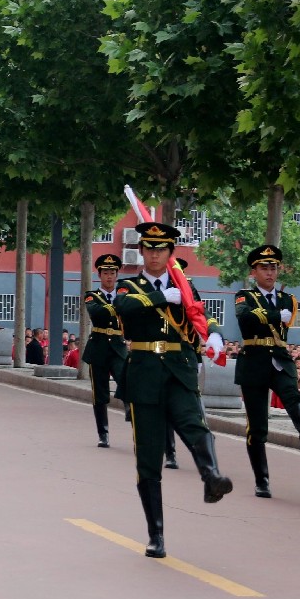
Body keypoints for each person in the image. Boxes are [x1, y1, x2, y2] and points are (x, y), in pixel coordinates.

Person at [113, 221, 232, 559]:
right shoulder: (129, 285)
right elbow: (123, 309)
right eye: (149, 248)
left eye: (161, 249)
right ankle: (157, 535)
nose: (154, 254)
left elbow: (201, 314)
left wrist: (214, 334)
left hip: (179, 370)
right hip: (144, 373)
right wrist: (160, 296)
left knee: (195, 424)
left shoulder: (185, 283)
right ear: (142, 252)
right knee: (149, 459)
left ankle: (212, 476)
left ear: (170, 253)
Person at [233, 245, 300, 499]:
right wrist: (272, 315)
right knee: (258, 425)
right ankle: (262, 480)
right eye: (264, 268)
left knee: (292, 394)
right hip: (253, 360)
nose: (270, 273)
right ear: (254, 271)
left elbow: (283, 319)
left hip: (280, 358)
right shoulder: (244, 296)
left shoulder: (287, 299)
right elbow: (245, 318)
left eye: (273, 268)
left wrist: (270, 314)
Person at [81, 254, 129, 448]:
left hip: (118, 346)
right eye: (106, 273)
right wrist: (118, 305)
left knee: (126, 381)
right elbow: (96, 312)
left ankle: (129, 409)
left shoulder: (124, 294)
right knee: (99, 395)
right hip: (98, 347)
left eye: (113, 273)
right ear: (99, 274)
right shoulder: (91, 295)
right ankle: (103, 433)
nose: (109, 276)